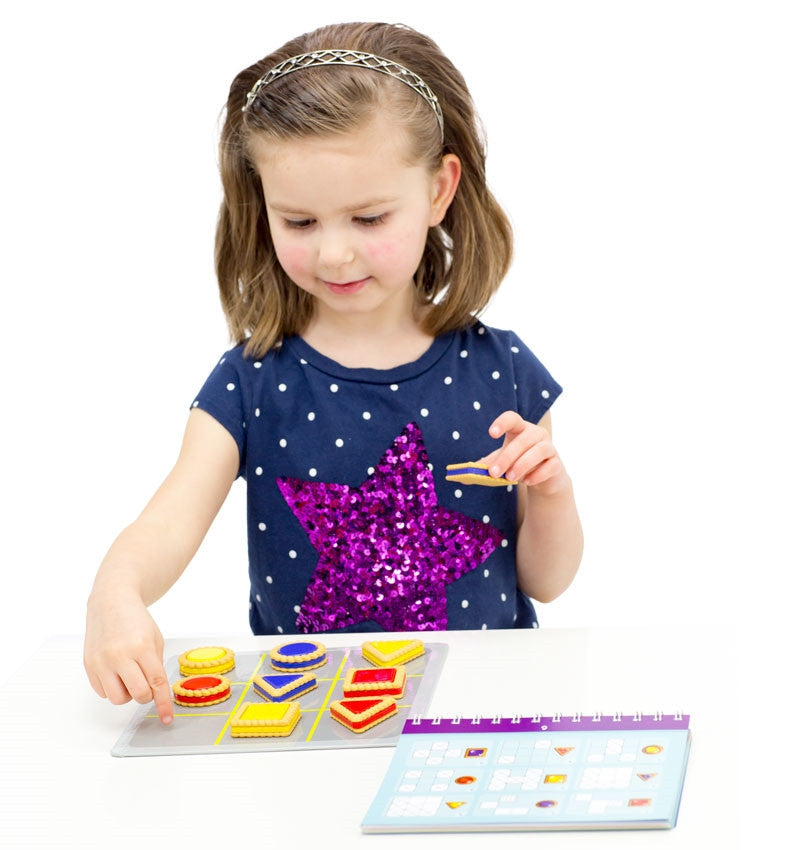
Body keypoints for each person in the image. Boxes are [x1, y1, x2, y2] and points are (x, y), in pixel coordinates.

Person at [83, 22, 583, 725]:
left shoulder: (505, 371)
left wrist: (553, 492)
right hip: (309, 722)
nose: (337, 255)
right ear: (262, 209)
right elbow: (165, 524)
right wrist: (114, 595)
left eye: (369, 216)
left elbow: (546, 581)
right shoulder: (250, 384)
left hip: (482, 716)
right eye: (300, 222)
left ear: (440, 190)